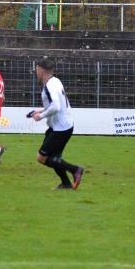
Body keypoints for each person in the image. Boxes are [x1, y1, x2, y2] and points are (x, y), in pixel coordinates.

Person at [30, 59, 83, 190]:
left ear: (41, 70)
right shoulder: (55, 81)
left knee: (42, 158)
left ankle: (75, 169)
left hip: (60, 128)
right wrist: (41, 110)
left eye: (37, 69)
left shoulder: (49, 86)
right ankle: (66, 184)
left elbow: (56, 106)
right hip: (61, 126)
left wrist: (40, 116)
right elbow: (55, 105)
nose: (36, 72)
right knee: (54, 157)